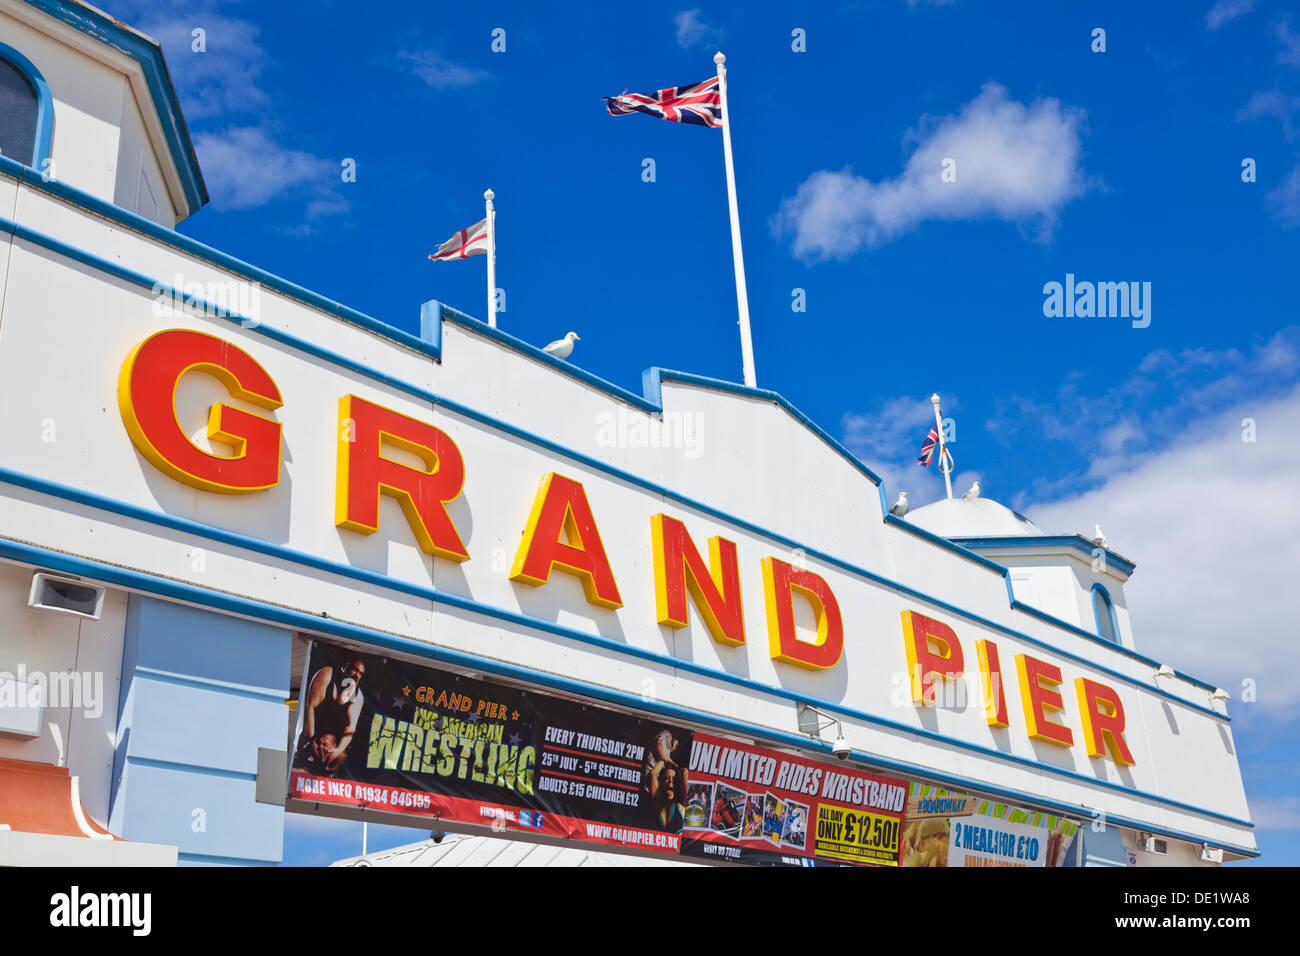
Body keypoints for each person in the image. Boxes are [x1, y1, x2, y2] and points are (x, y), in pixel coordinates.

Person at [296, 658, 366, 774]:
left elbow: (350, 728)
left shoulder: (358, 697)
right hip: (312, 735)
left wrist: (338, 751)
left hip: (331, 745)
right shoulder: (327, 674)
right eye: (355, 669)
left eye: (361, 673)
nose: (357, 675)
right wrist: (311, 738)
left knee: (335, 764)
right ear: (347, 666)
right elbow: (311, 706)